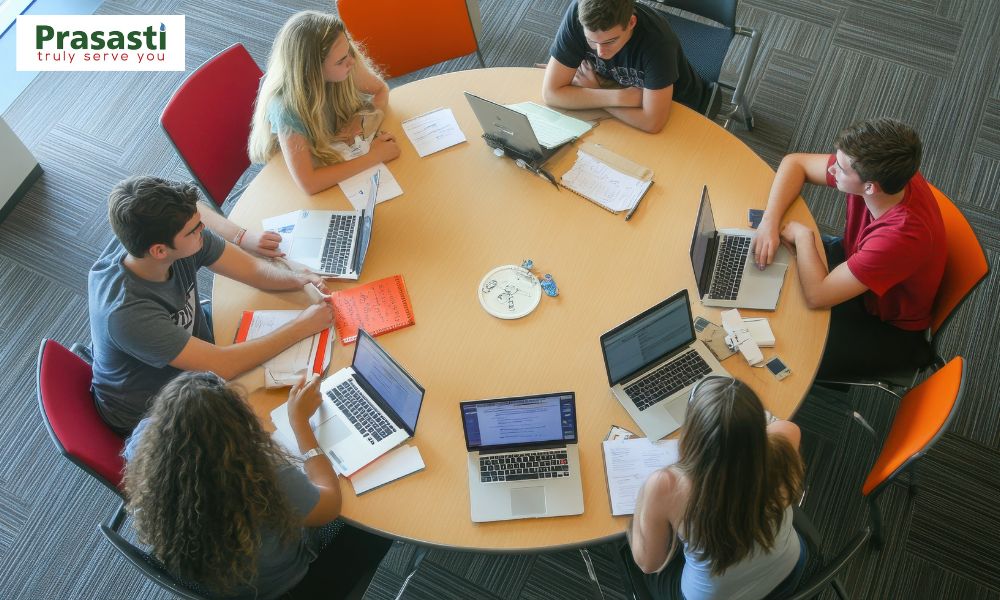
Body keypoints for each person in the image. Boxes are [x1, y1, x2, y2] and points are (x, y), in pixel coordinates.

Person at [88, 175, 335, 434]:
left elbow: (252, 269)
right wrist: (301, 327)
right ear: (160, 251)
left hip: (193, 354)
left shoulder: (156, 237)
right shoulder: (126, 314)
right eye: (194, 230)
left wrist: (296, 279)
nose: (203, 230)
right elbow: (222, 366)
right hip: (156, 409)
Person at [123, 372, 392, 600]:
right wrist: (300, 426)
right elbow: (330, 505)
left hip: (216, 574)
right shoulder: (263, 480)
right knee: (380, 519)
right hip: (287, 588)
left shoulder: (143, 444)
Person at [750, 118, 946, 379]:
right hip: (858, 258)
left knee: (786, 342)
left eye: (841, 169)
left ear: (869, 187)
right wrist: (769, 223)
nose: (832, 170)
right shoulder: (887, 173)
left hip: (885, 323)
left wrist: (805, 236)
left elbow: (818, 296)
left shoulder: (899, 238)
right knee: (771, 274)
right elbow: (795, 163)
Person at [628, 376, 807, 600]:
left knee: (627, 550)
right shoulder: (787, 437)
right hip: (788, 573)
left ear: (693, 433)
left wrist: (645, 497)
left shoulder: (666, 486)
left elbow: (648, 563)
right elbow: (773, 426)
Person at [249, 11, 399, 195]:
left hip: (330, 151)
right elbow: (309, 184)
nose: (351, 61)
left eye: (349, 50)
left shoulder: (344, 59)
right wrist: (374, 157)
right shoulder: (287, 107)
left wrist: (360, 119)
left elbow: (381, 90)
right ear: (312, 71)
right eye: (341, 60)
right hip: (295, 172)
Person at [542, 0, 710, 133]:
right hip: (620, 94)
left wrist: (594, 94)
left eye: (610, 41)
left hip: (678, 106)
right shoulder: (579, 14)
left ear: (631, 22)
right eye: (591, 40)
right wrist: (618, 97)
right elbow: (551, 94)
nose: (600, 52)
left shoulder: (658, 42)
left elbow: (652, 123)